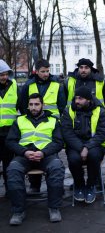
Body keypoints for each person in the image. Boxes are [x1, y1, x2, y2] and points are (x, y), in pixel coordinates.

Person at [6, 93, 65, 225]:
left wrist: (43, 153)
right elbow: (10, 141)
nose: (33, 107)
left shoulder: (53, 120)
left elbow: (58, 142)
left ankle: (54, 208)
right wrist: (25, 151)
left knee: (57, 168)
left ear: (42, 105)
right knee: (13, 170)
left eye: (37, 104)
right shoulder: (19, 120)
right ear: (27, 105)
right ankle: (18, 211)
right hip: (24, 156)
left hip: (46, 155)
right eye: (31, 104)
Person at [20, 58, 66, 193]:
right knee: (33, 150)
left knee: (53, 156)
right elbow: (23, 105)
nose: (46, 74)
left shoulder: (57, 84)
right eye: (43, 71)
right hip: (33, 123)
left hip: (51, 125)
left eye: (48, 71)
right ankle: (35, 185)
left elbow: (62, 106)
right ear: (36, 71)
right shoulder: (28, 85)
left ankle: (56, 186)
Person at [61, 86, 105, 204]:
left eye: (80, 98)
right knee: (73, 159)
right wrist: (81, 148)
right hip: (75, 145)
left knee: (94, 156)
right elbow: (67, 133)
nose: (77, 101)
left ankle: (91, 185)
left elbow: (102, 134)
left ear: (89, 100)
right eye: (76, 98)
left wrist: (87, 147)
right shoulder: (69, 111)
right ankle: (79, 184)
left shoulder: (100, 111)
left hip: (95, 145)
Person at [0, 59, 21, 193]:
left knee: (9, 163)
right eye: (1, 74)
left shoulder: (14, 86)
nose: (4, 77)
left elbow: (21, 106)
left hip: (10, 132)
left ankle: (9, 189)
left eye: (6, 74)